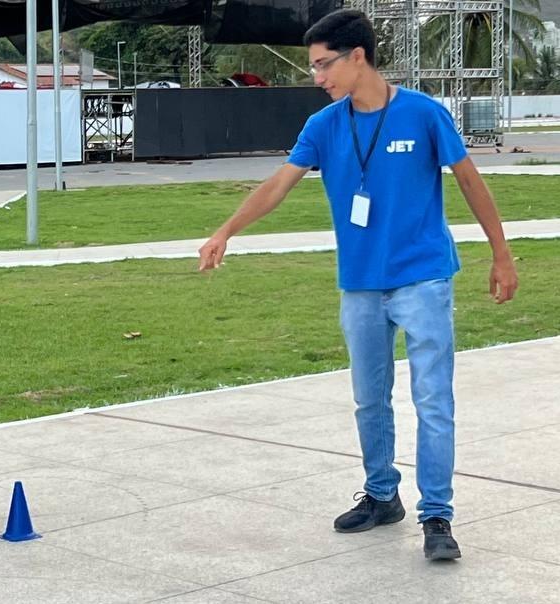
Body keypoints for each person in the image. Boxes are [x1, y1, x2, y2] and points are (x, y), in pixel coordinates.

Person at [198, 9, 518, 560]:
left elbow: (469, 180)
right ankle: (380, 494)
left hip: (423, 279)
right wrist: (227, 229)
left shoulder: (422, 114)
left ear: (358, 57)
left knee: (433, 402)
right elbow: (279, 184)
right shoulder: (323, 126)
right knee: (370, 401)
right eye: (315, 67)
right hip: (361, 285)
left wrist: (501, 255)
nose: (317, 77)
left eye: (324, 65)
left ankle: (437, 516)